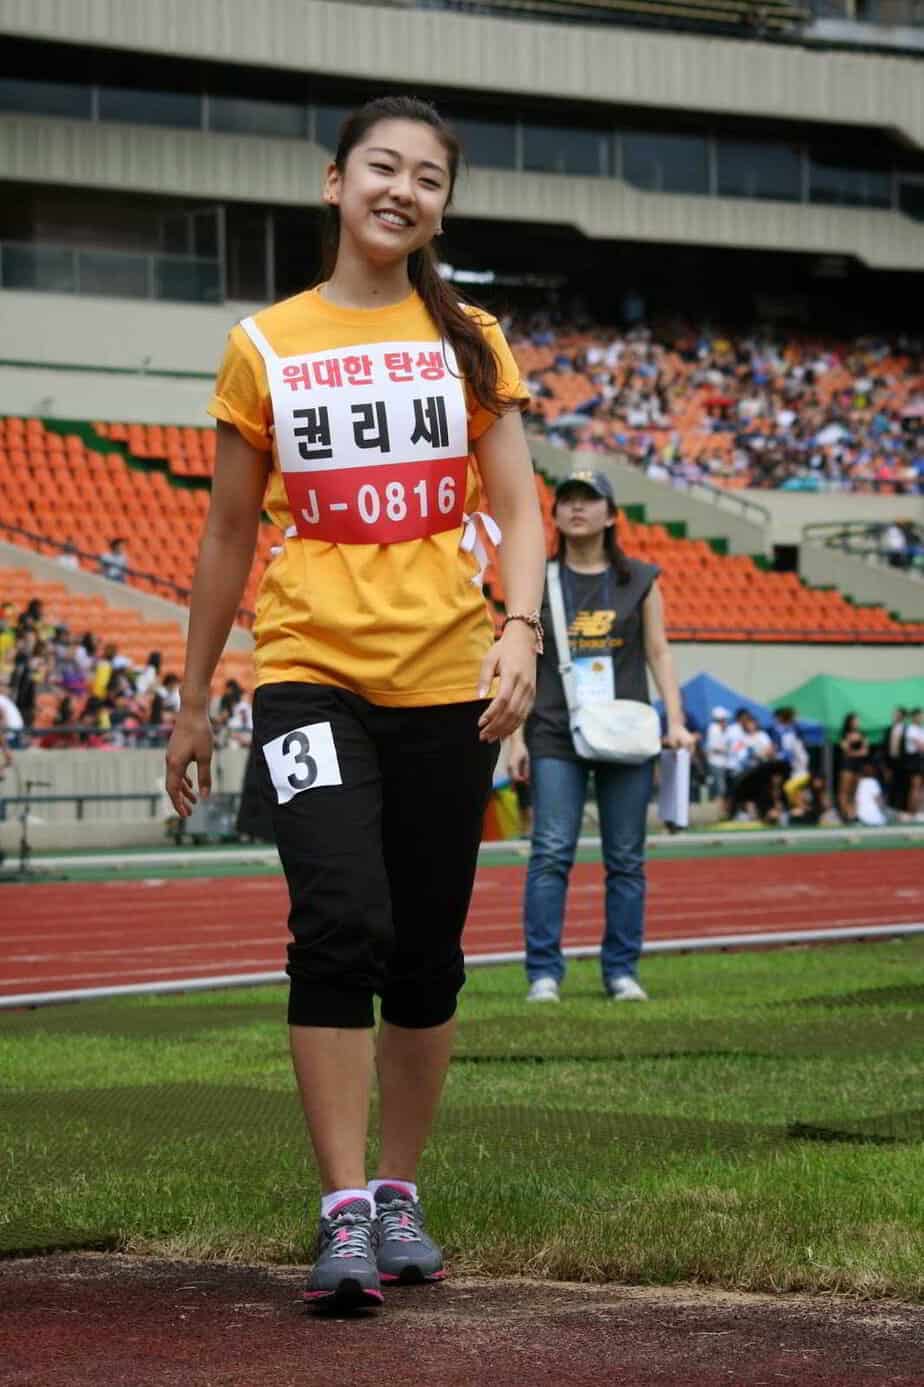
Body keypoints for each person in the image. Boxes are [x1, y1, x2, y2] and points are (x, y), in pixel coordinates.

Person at [164, 96, 545, 1311]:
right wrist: (193, 698)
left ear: (442, 207)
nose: (403, 189)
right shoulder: (263, 344)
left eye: (428, 177)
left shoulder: (470, 340)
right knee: (338, 920)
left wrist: (522, 631)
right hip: (308, 672)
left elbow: (520, 507)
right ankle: (340, 1211)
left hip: (448, 678)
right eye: (383, 166)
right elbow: (228, 532)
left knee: (425, 947)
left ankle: (397, 1192)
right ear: (334, 182)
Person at [509, 469, 694, 1007]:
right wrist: (514, 739)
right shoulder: (538, 580)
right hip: (554, 730)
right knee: (550, 852)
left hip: (627, 729)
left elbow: (659, 651)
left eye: (589, 500)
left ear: (611, 515)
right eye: (566, 499)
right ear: (554, 515)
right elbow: (521, 658)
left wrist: (676, 721)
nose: (576, 508)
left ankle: (621, 971)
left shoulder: (640, 579)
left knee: (626, 858)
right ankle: (544, 973)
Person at [838, 712, 869, 821]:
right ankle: (844, 813)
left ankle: (853, 814)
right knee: (844, 790)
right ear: (850, 722)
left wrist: (853, 752)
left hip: (858, 765)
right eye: (855, 721)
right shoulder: (844, 734)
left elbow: (865, 752)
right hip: (847, 764)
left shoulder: (862, 734)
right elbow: (845, 750)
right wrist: (854, 750)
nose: (857, 723)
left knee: (854, 791)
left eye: (857, 721)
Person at [704, 705, 731, 807]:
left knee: (720, 785)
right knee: (719, 786)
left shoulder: (723, 729)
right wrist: (727, 749)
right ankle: (717, 806)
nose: (725, 721)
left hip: (722, 762)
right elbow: (713, 747)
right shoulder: (713, 729)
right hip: (715, 762)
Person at [904, 708, 924, 817]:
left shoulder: (921, 729)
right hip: (914, 759)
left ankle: (919, 811)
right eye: (920, 716)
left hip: (921, 759)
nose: (922, 718)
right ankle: (912, 812)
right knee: (915, 786)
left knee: (921, 787)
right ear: (914, 717)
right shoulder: (911, 729)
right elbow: (920, 746)